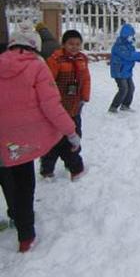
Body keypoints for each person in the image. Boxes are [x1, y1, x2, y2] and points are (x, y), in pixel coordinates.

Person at [0, 22, 80, 252]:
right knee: (24, 184)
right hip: (20, 143)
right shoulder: (37, 66)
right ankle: (25, 235)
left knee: (6, 178)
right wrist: (71, 132)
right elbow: (51, 106)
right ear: (35, 45)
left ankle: (13, 214)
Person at [41, 30, 91, 181]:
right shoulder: (56, 60)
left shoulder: (82, 59)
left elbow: (86, 79)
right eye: (71, 44)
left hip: (75, 106)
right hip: (58, 107)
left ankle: (73, 164)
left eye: (77, 44)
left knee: (75, 136)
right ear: (63, 44)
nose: (74, 47)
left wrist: (85, 96)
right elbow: (48, 82)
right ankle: (47, 168)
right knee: (55, 139)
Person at [108, 23, 140, 113]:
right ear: (125, 35)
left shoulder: (129, 45)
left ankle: (125, 105)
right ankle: (113, 107)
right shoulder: (119, 46)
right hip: (119, 71)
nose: (132, 37)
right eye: (131, 35)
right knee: (123, 89)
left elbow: (132, 56)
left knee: (131, 88)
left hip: (126, 71)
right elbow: (128, 56)